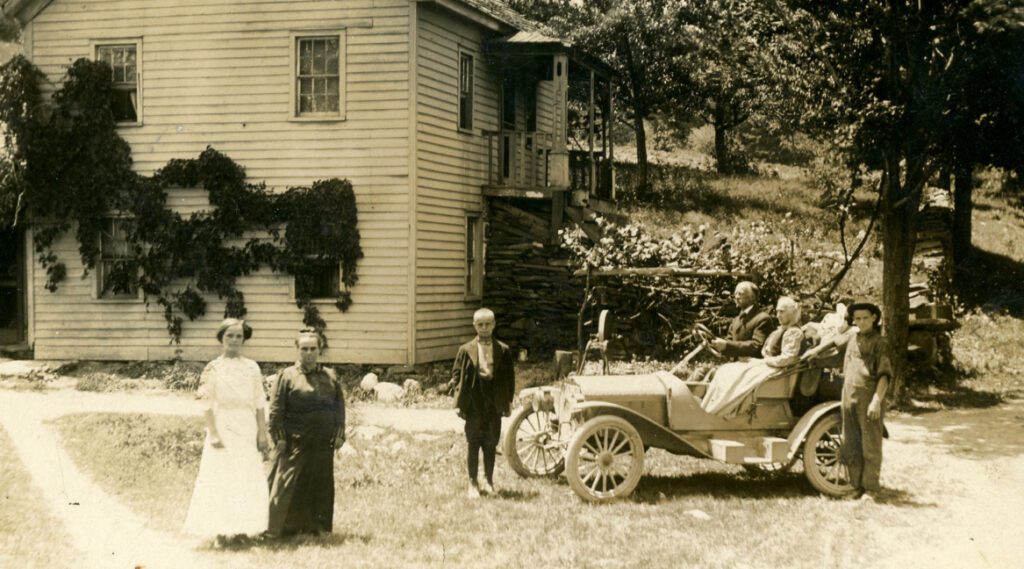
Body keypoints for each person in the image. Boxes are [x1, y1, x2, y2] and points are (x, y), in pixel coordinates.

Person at [184, 318, 271, 543]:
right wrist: (213, 432)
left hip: (246, 424)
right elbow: (205, 401)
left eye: (238, 336)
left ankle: (242, 531)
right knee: (221, 477)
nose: (234, 340)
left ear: (244, 339)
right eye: (229, 335)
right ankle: (221, 532)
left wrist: (262, 432)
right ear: (221, 338)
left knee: (245, 476)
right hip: (223, 424)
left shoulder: (252, 367)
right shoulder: (213, 367)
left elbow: (259, 401)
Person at [804, 301, 891, 501]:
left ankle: (870, 489)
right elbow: (835, 343)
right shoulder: (853, 337)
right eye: (857, 319)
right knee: (850, 443)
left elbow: (884, 375)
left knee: (870, 444)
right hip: (848, 395)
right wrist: (815, 354)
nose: (860, 322)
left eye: (865, 318)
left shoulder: (880, 343)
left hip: (868, 397)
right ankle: (855, 486)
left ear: (874, 318)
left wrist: (876, 401)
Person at [266, 328, 346, 536]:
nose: (309, 353)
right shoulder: (287, 376)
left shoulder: (329, 376)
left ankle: (317, 528)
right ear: (297, 350)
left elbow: (339, 407)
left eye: (313, 348)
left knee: (320, 484)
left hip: (322, 442)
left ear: (320, 350)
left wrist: (339, 434)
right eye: (304, 349)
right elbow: (276, 411)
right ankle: (275, 529)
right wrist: (280, 438)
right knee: (286, 484)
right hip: (294, 441)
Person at [701, 297, 804, 418]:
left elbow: (787, 358)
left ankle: (722, 410)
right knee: (727, 369)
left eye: (782, 311)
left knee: (735, 374)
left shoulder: (794, 332)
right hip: (769, 365)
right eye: (777, 311)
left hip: (779, 370)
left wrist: (762, 362)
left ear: (791, 313)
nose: (778, 315)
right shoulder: (781, 330)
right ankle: (712, 407)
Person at [450, 308, 515, 499]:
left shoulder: (503, 350)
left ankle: (488, 480)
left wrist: (508, 402)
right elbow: (456, 375)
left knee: (490, 441)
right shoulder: (465, 350)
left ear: (494, 325)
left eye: (488, 324)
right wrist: (459, 400)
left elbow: (509, 378)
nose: (484, 328)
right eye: (480, 325)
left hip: (493, 400)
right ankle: (472, 482)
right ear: (474, 326)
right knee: (473, 441)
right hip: (474, 399)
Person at [709, 281, 775, 360]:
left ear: (752, 297)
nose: (736, 297)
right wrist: (710, 341)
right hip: (736, 366)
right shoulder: (736, 320)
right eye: (735, 293)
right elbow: (728, 343)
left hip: (754, 366)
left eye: (740, 294)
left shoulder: (763, 319)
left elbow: (756, 346)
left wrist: (727, 345)